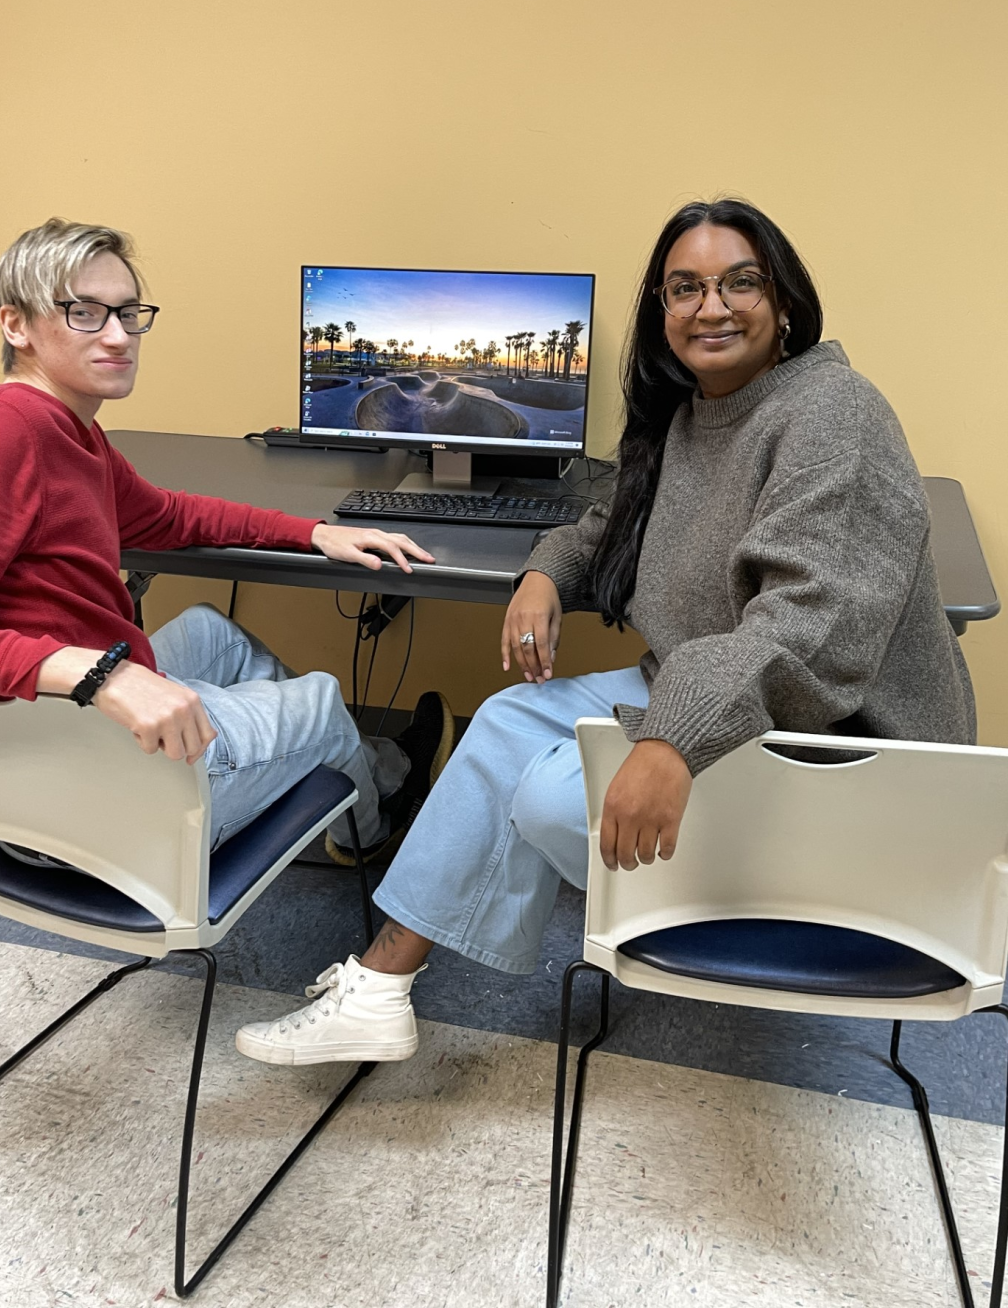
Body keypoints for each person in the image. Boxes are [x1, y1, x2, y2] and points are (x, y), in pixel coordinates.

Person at [235, 197, 975, 1066]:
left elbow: (806, 629)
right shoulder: (691, 414)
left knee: (547, 796)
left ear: (784, 304)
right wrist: (546, 573)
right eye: (685, 287)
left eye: (741, 282)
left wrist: (671, 742)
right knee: (509, 720)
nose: (713, 306)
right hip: (713, 692)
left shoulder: (832, 411)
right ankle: (381, 985)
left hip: (832, 746)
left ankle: (706, 908)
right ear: (661, 313)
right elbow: (605, 519)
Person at [0, 217, 454, 864]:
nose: (117, 334)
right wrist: (102, 676)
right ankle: (372, 823)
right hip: (72, 793)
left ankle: (362, 768)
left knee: (213, 630)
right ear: (15, 324)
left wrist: (316, 531)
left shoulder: (70, 432)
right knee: (327, 702)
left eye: (129, 313)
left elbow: (172, 516)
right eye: (84, 312)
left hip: (71, 731)